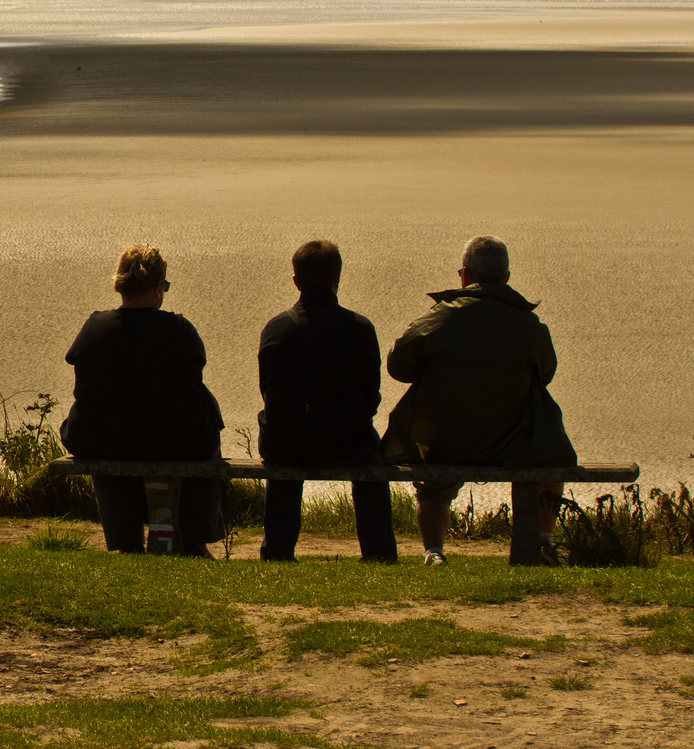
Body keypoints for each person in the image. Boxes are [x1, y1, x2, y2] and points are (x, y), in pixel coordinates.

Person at [383, 235, 575, 565]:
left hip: (444, 443)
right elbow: (545, 374)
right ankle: (543, 541)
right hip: (514, 445)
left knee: (433, 486)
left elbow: (398, 366)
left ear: (465, 275)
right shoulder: (529, 326)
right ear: (506, 278)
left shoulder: (439, 318)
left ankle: (435, 552)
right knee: (553, 455)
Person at [59, 245, 226, 555]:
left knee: (108, 433)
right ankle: (193, 538)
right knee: (206, 427)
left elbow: (75, 360)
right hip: (174, 441)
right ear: (157, 287)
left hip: (102, 438)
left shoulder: (96, 327)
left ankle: (125, 539)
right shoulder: (178, 329)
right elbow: (194, 371)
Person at [256, 241, 398, 562]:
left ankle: (277, 550)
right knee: (372, 460)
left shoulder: (276, 329)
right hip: (348, 444)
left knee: (280, 446)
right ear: (338, 278)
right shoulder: (360, 329)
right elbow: (371, 396)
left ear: (296, 281)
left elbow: (269, 392)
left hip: (288, 445)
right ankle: (378, 552)